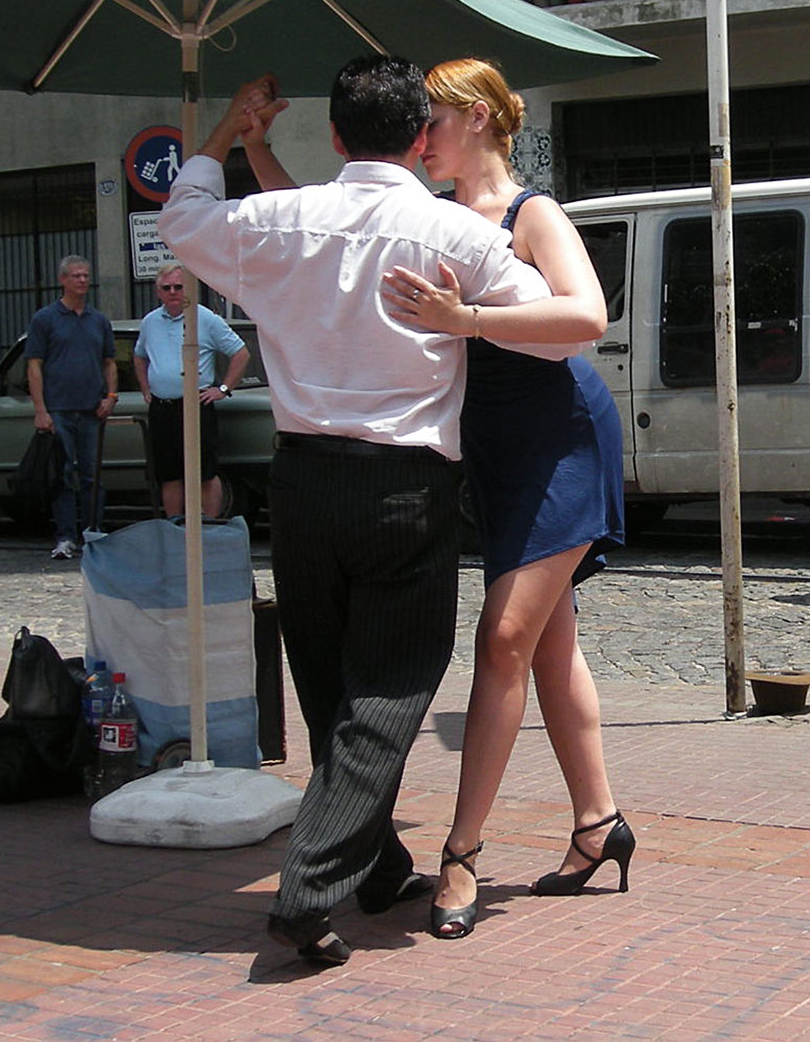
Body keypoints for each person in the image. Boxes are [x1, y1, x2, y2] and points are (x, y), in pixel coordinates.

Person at [158, 56, 588, 967]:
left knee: (328, 681)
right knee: (388, 687)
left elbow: (183, 220)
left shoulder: (280, 218)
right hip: (403, 484)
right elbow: (556, 330)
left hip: (304, 480)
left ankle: (378, 862)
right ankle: (311, 884)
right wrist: (464, 315)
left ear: (340, 137)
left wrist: (226, 136)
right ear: (418, 137)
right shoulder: (452, 235)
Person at [375, 58, 630, 938]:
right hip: (495, 453)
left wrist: (468, 323)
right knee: (550, 647)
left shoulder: (533, 213)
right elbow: (330, 220)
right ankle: (600, 824)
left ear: (478, 117)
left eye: (431, 122)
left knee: (504, 637)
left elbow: (588, 317)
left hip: (561, 441)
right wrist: (252, 152)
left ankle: (461, 855)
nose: (419, 139)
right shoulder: (435, 217)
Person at [133, 264, 251, 518]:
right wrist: (146, 389)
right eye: (167, 288)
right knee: (169, 474)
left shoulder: (205, 318)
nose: (173, 292)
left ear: (189, 289)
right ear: (158, 292)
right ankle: (175, 527)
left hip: (196, 405)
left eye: (179, 287)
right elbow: (139, 357)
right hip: (162, 408)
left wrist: (223, 388)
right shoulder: (150, 322)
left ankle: (209, 526)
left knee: (204, 472)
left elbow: (241, 353)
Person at [23, 255, 117, 560]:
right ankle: (65, 536)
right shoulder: (45, 319)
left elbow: (110, 362)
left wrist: (111, 395)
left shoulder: (98, 321)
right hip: (59, 410)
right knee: (62, 475)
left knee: (92, 475)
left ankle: (93, 530)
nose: (82, 281)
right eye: (76, 276)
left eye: (86, 276)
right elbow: (34, 365)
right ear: (63, 279)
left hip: (92, 410)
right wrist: (41, 409)